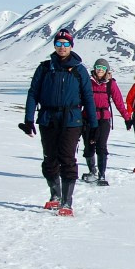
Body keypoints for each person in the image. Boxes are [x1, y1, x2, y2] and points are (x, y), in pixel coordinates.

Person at [21, 29, 98, 216]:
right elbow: (33, 93)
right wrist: (29, 119)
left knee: (67, 159)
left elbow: (88, 98)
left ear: (71, 46)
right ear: (54, 45)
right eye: (58, 43)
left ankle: (67, 202)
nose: (62, 47)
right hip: (48, 118)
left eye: (65, 44)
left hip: (71, 120)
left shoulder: (79, 70)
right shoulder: (45, 68)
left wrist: (94, 125)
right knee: (50, 159)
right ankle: (55, 195)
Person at [81, 58, 130, 185]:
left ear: (106, 70)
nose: (100, 70)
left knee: (101, 146)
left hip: (103, 119)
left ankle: (101, 175)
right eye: (98, 67)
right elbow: (79, 99)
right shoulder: (87, 82)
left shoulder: (110, 84)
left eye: (103, 68)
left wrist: (127, 118)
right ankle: (92, 171)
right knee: (88, 146)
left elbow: (119, 102)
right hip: (87, 118)